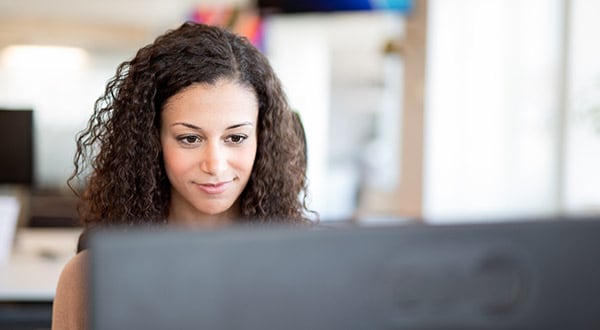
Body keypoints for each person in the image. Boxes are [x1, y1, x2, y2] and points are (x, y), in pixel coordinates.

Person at [52, 21, 315, 329]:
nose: (215, 165)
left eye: (236, 138)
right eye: (190, 138)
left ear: (261, 138)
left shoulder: (307, 267)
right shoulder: (88, 277)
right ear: (152, 142)